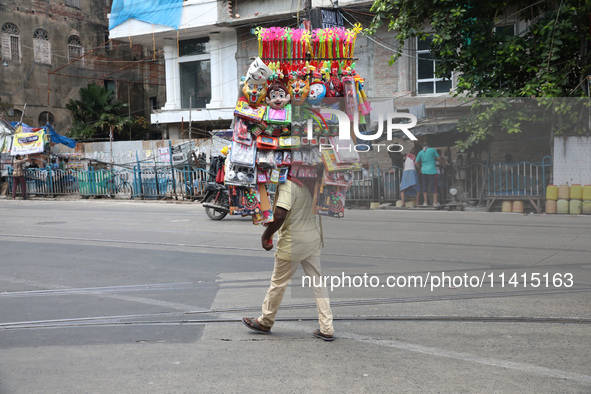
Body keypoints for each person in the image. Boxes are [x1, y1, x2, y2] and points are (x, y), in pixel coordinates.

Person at [242, 178, 334, 341]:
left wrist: (267, 234)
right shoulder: (313, 180)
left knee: (278, 283)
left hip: (293, 243)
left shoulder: (290, 183)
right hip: (313, 239)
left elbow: (280, 215)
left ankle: (266, 321)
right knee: (318, 283)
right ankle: (327, 327)